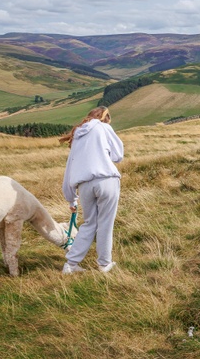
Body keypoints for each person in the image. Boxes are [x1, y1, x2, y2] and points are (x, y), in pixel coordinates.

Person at [59, 106, 124, 274]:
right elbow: (118, 154)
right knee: (105, 224)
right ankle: (104, 264)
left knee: (89, 224)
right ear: (105, 118)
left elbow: (69, 167)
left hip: (84, 185)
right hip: (106, 180)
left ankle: (70, 265)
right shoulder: (104, 127)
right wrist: (104, 155)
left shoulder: (77, 136)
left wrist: (71, 199)